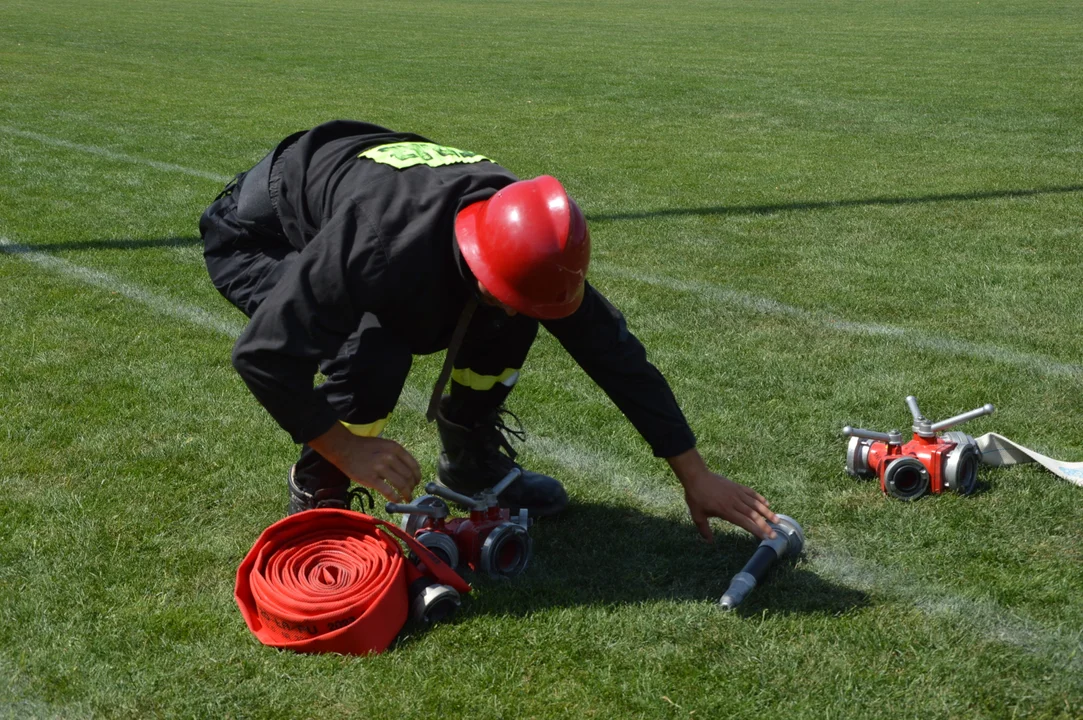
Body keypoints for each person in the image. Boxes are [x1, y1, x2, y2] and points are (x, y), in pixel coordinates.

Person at [199, 120, 778, 541]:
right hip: (261, 231)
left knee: (510, 318)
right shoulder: (380, 242)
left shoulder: (532, 240)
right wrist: (347, 446)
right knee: (372, 345)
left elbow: (613, 353)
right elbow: (265, 354)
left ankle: (469, 458)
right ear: (477, 257)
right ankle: (319, 486)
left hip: (360, 195)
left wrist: (695, 473)